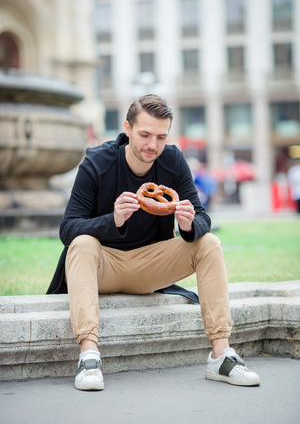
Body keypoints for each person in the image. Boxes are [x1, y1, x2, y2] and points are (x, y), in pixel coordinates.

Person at [47, 94, 260, 390]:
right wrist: (113, 220)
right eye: (145, 134)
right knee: (82, 243)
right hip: (102, 265)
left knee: (208, 242)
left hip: (150, 265)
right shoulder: (97, 162)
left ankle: (221, 354)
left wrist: (188, 224)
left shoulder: (172, 161)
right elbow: (67, 229)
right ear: (127, 128)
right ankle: (89, 357)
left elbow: (202, 217)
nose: (152, 145)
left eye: (161, 137)